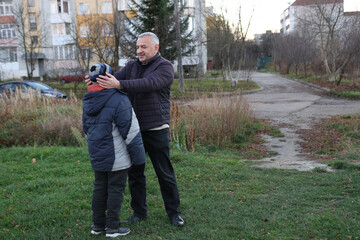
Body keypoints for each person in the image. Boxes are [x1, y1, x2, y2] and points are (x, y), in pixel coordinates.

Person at [85, 32, 184, 227]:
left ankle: (174, 213)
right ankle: (139, 212)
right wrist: (96, 79)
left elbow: (149, 84)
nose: (139, 51)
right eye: (137, 47)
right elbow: (111, 79)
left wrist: (119, 84)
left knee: (164, 173)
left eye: (143, 47)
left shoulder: (165, 66)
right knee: (135, 173)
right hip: (133, 130)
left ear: (155, 48)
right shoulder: (132, 66)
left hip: (156, 128)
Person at [83, 63, 147, 237]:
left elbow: (86, 129)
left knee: (99, 189)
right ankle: (112, 227)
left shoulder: (88, 100)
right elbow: (131, 131)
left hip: (97, 154)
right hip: (117, 157)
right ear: (111, 77)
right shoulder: (119, 99)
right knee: (115, 190)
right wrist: (140, 159)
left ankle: (97, 226)